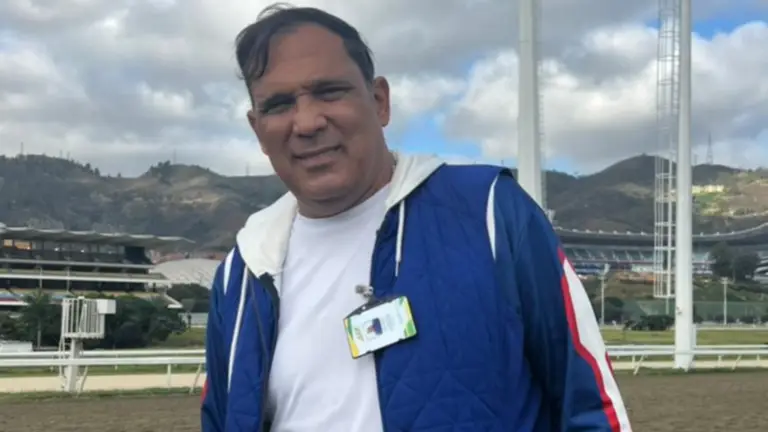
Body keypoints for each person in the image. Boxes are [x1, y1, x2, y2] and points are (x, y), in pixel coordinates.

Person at [201, 4, 631, 431]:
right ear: (257, 130)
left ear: (379, 101)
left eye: (329, 91)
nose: (308, 122)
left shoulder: (490, 213)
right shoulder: (244, 271)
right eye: (278, 105)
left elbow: (591, 406)